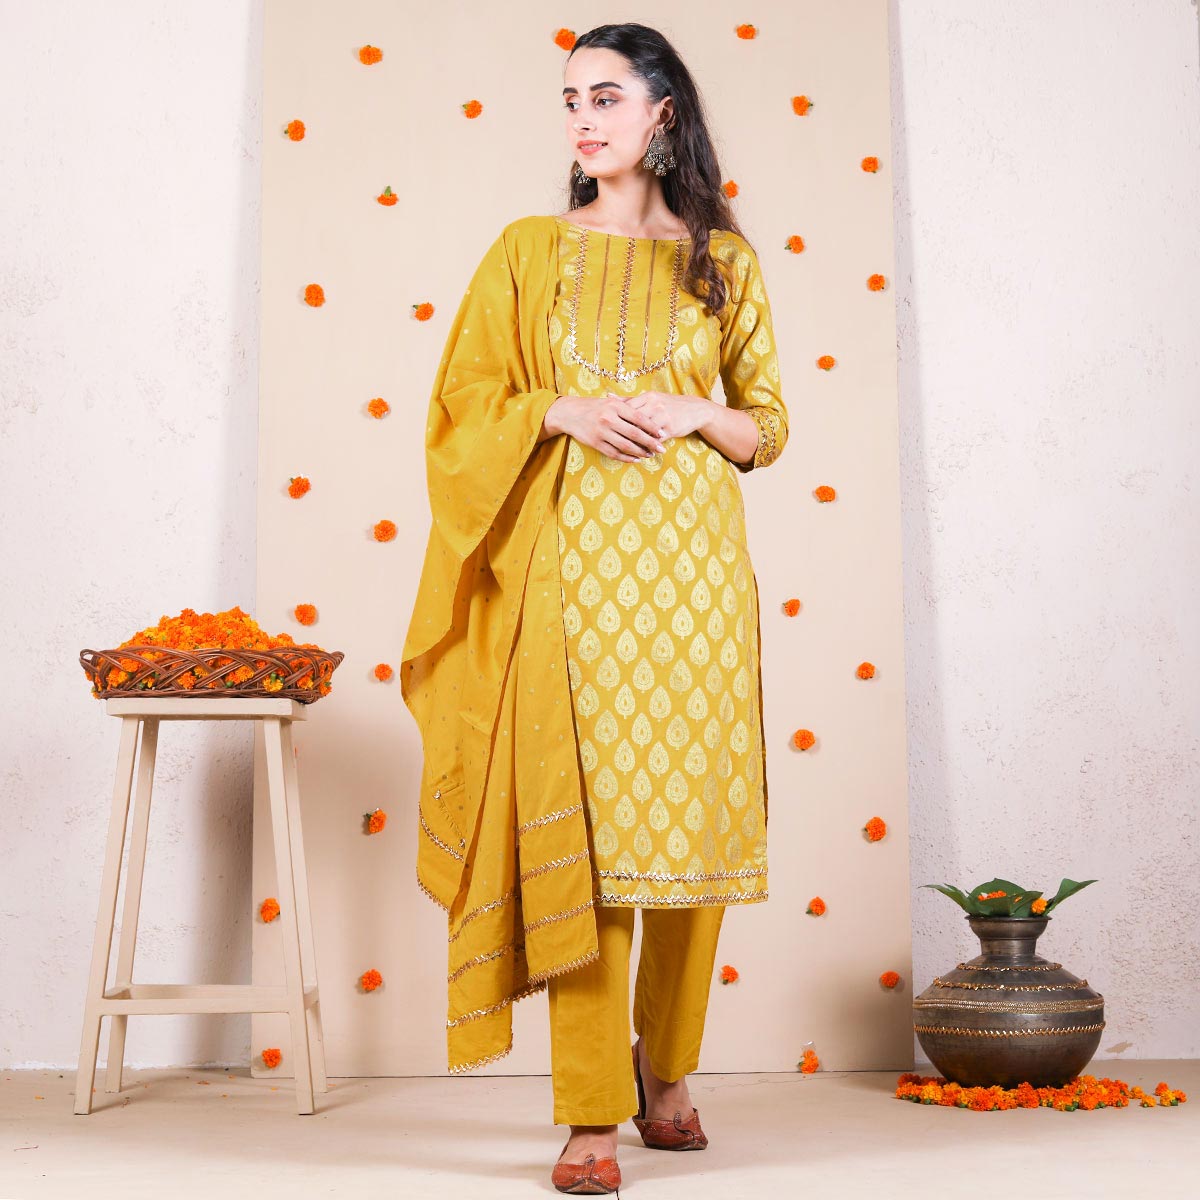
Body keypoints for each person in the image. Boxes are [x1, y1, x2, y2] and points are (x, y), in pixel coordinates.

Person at [401, 21, 788, 1196]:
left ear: (663, 113)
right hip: (571, 579)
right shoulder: (529, 252)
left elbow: (766, 425)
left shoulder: (723, 261)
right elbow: (461, 405)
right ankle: (591, 1112)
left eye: (606, 97)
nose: (583, 119)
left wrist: (698, 413)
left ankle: (668, 1071)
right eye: (571, 98)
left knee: (691, 842)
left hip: (697, 582)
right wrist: (555, 410)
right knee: (600, 850)